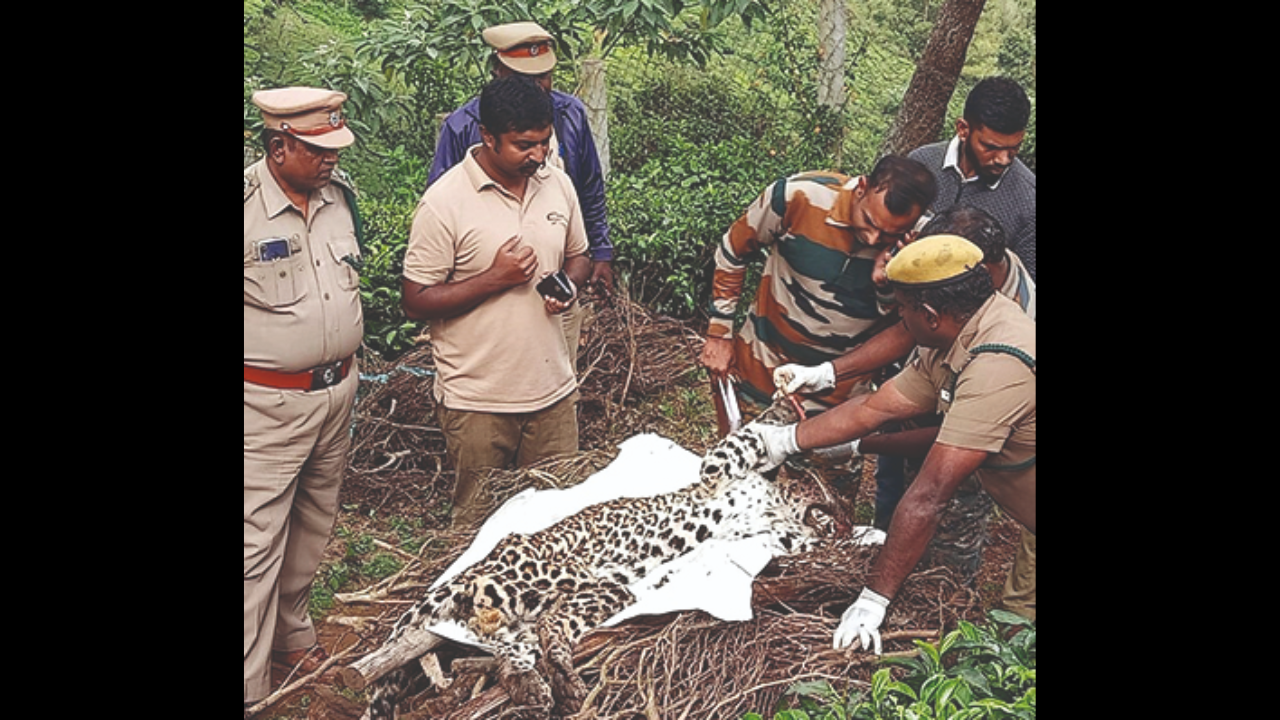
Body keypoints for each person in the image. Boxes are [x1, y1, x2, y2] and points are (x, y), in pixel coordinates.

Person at [725, 234, 1036, 653]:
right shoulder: (961, 333)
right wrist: (783, 441)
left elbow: (929, 495)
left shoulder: (998, 364)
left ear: (928, 313)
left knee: (1017, 646)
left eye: (903, 310)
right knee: (1018, 622)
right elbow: (873, 409)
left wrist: (874, 599)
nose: (900, 322)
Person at [402, 75, 591, 529]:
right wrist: (494, 278)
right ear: (487, 137)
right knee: (477, 528)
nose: (538, 155)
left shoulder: (557, 184)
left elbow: (579, 255)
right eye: (523, 145)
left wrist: (568, 284)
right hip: (478, 402)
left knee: (559, 524)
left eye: (544, 142)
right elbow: (415, 300)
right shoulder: (443, 204)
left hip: (553, 395)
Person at [244, 87, 363, 715]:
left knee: (313, 525)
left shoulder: (340, 201)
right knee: (253, 544)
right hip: (264, 406)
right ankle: (249, 685)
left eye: (334, 149)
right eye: (317, 150)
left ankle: (292, 636)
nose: (329, 161)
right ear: (279, 144)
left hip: (336, 392)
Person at [698, 156, 938, 434]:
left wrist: (888, 284)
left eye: (887, 234)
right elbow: (733, 252)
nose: (873, 239)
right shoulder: (799, 196)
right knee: (740, 470)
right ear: (862, 187)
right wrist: (719, 333)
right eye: (869, 221)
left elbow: (908, 327)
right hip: (762, 370)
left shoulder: (920, 241)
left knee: (825, 477)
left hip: (840, 398)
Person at [429, 21, 613, 302]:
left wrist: (599, 253)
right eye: (524, 79)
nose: (537, 88)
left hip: (564, 276)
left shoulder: (571, 114)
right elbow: (440, 210)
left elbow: (589, 187)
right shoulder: (462, 125)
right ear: (498, 73)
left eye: (544, 77)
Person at [909, 77, 1036, 281]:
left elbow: (1027, 292)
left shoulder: (1029, 202)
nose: (1003, 160)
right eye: (991, 147)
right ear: (963, 129)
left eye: (1014, 148)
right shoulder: (921, 163)